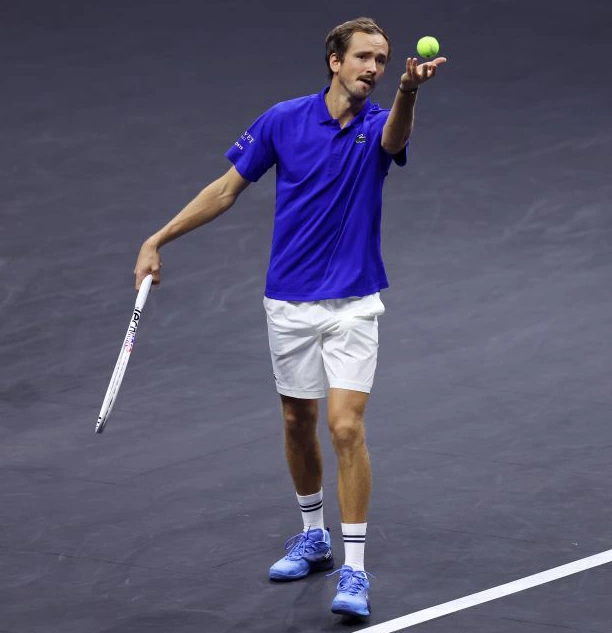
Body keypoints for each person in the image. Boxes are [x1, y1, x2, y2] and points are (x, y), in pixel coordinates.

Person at [132, 17, 447, 619]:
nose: (374, 70)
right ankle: (314, 535)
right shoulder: (282, 120)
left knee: (346, 427)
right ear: (335, 60)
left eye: (382, 61)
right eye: (364, 58)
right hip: (288, 302)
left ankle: (354, 571)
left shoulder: (382, 122)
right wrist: (159, 238)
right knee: (298, 420)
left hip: (354, 303)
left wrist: (408, 91)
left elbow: (397, 138)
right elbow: (226, 189)